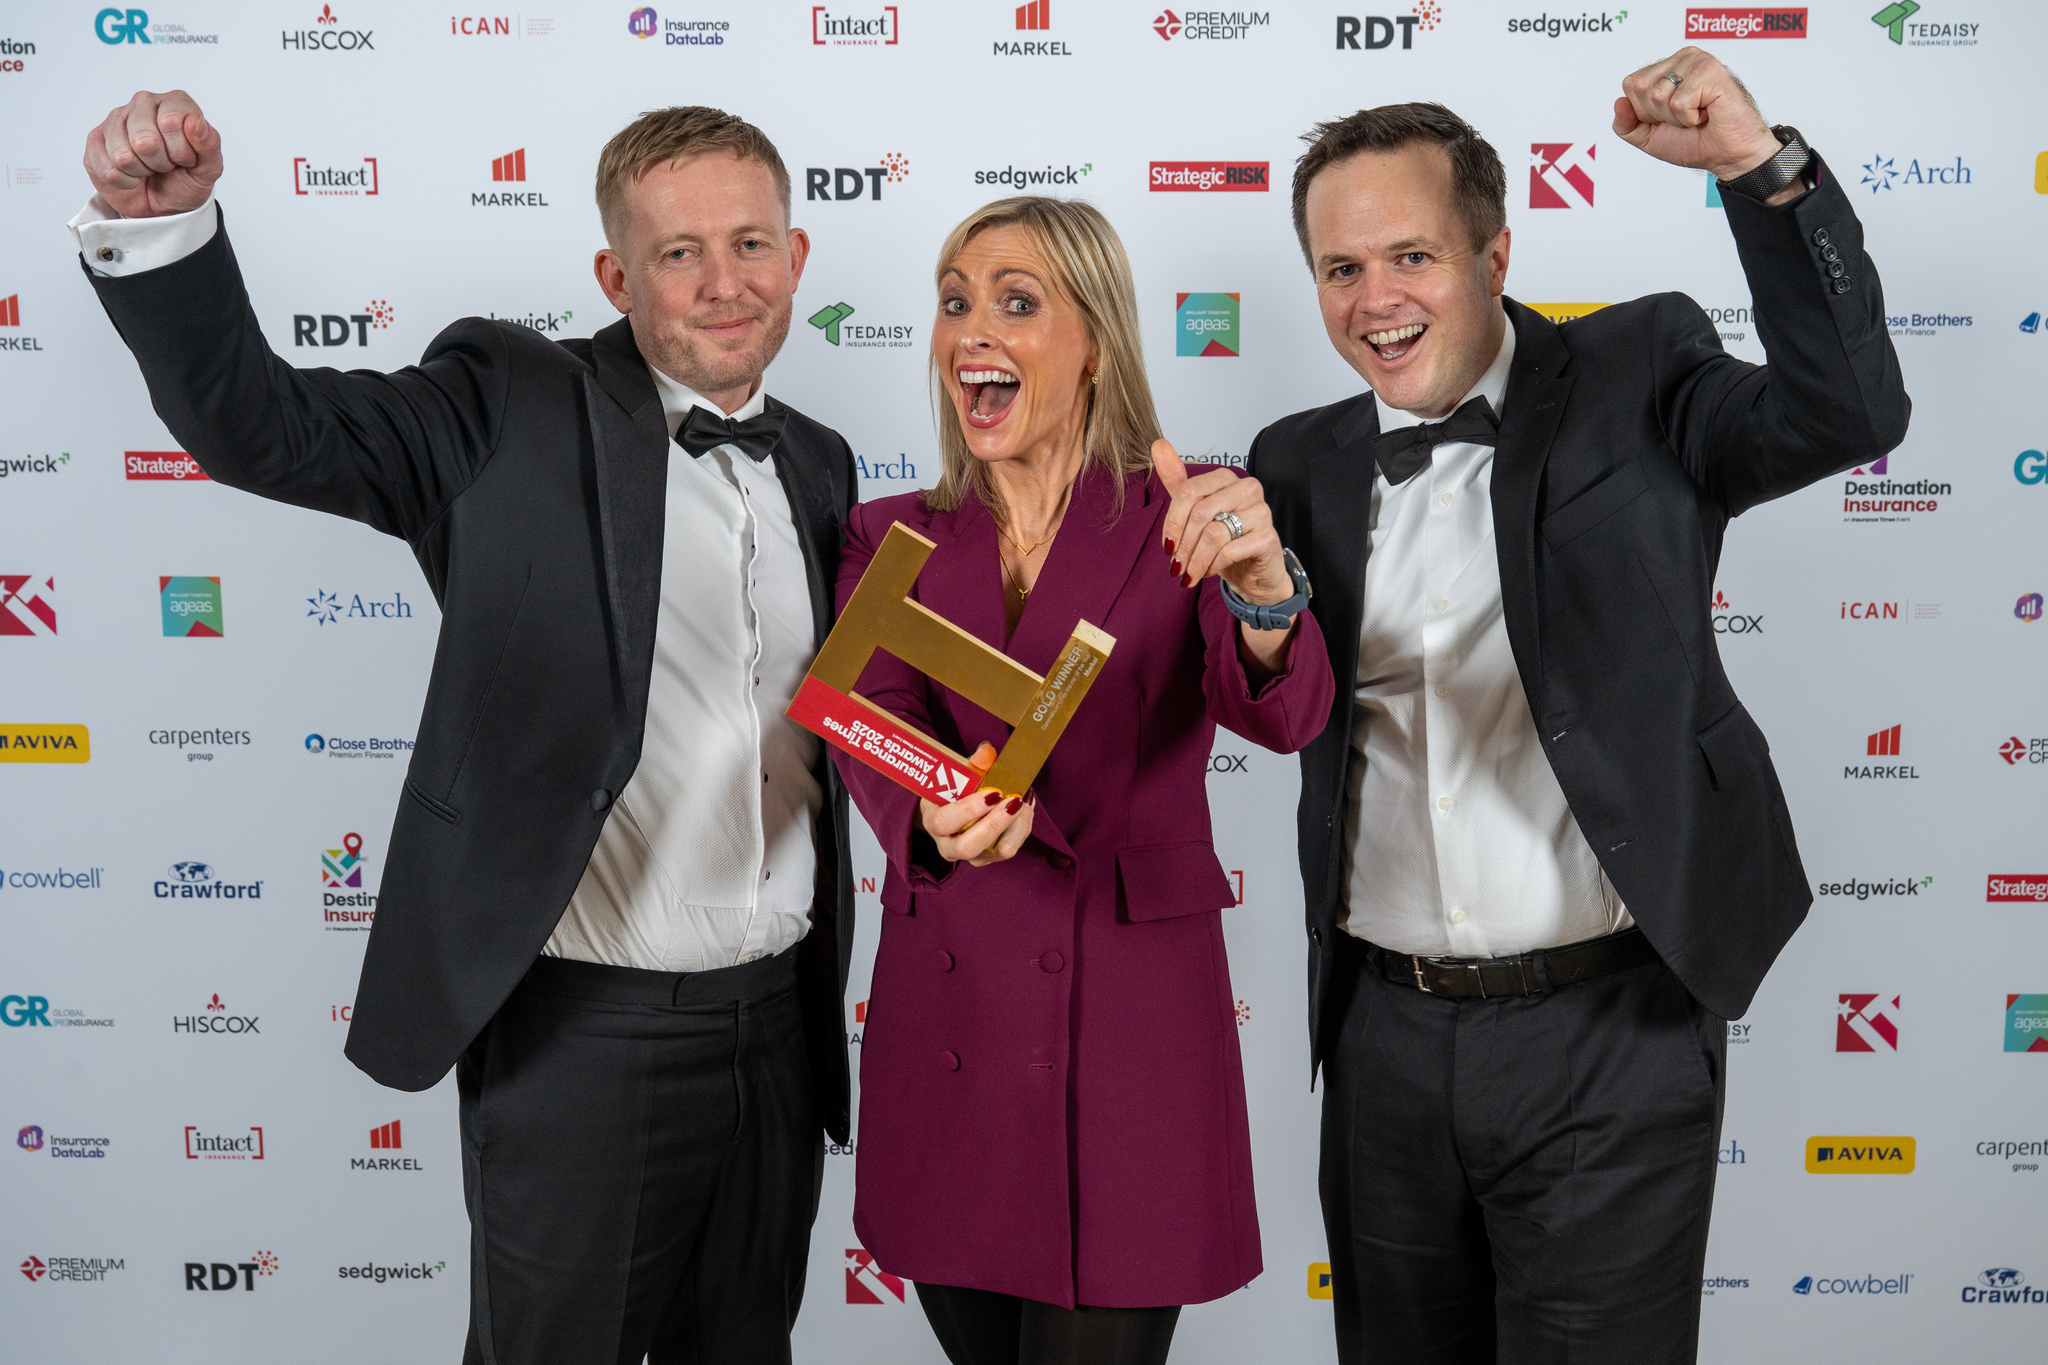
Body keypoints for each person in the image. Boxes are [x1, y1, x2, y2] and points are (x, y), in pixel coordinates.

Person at [75, 92, 859, 1364]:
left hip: (777, 1031)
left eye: (750, 243)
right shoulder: (509, 401)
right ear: (616, 277)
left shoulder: (819, 462)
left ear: (797, 255)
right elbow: (263, 427)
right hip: (582, 1043)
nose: (725, 284)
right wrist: (165, 235)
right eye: (678, 252)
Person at [1250, 50, 1908, 1365]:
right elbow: (1276, 705)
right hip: (1381, 1038)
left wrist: (1759, 171)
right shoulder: (1294, 461)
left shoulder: (1636, 366)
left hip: (1609, 1032)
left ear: (1495, 253)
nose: (1376, 300)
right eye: (1340, 268)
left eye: (1412, 256)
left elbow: (1848, 412)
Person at [830, 196, 1335, 1365]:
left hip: (1126, 1029)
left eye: (1015, 302)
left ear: (1095, 343)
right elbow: (873, 719)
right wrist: (932, 804)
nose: (972, 329)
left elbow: (1280, 714)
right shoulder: (887, 534)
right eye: (954, 301)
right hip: (951, 1025)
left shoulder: (1190, 513)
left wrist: (1264, 591)